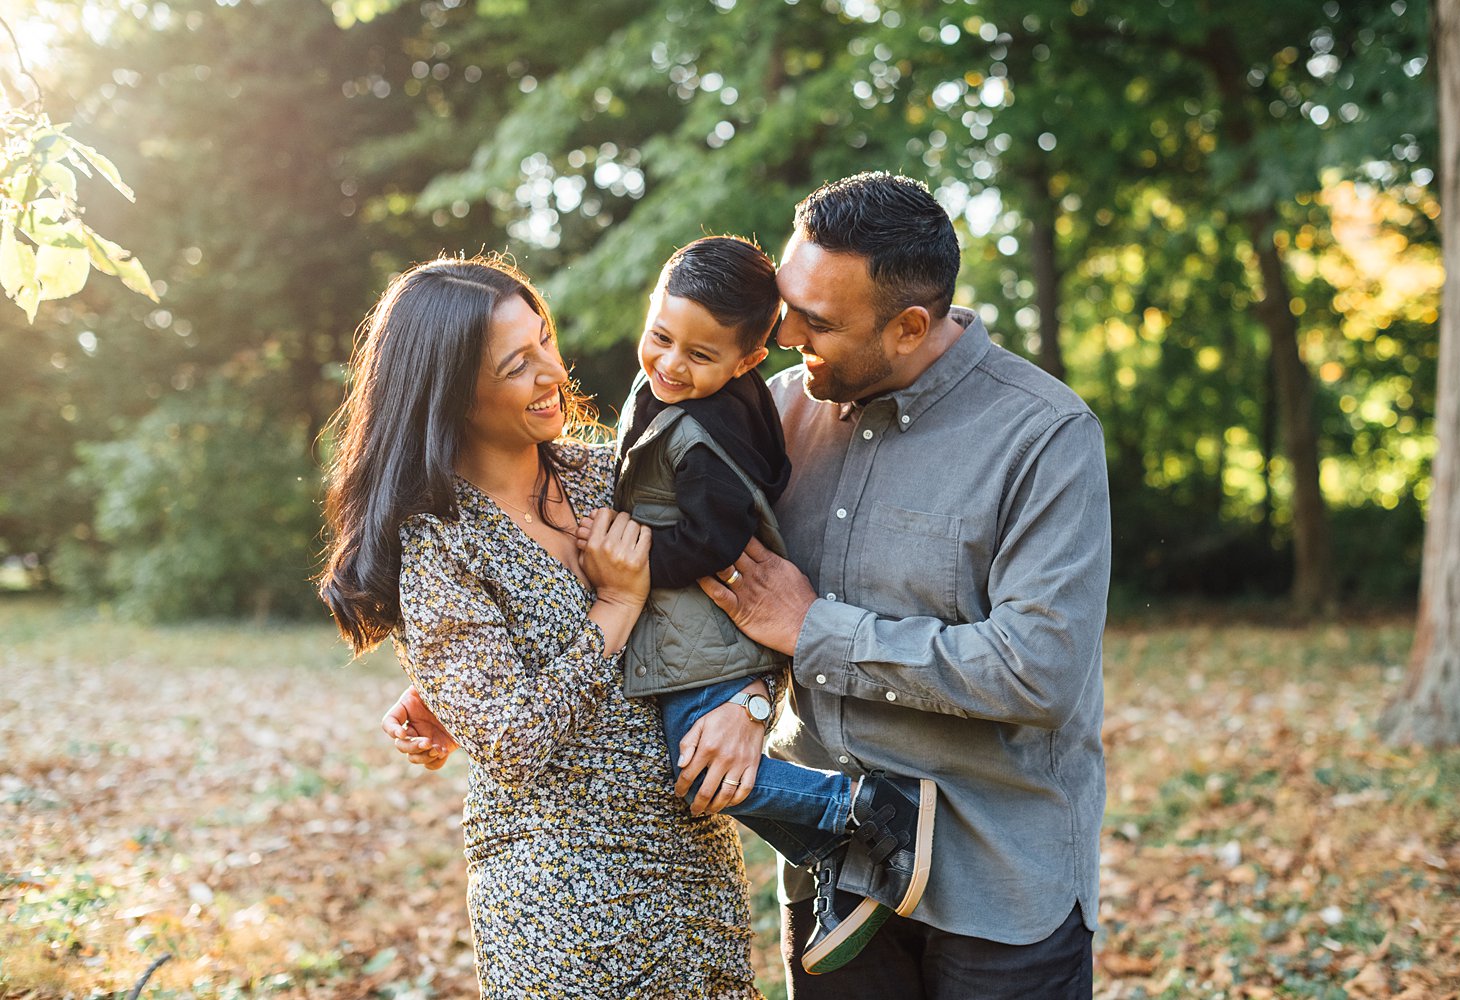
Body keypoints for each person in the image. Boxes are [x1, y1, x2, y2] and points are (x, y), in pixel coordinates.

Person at [698, 172, 1111, 998]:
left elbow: (1039, 669)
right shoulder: (774, 414)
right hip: (833, 878)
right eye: (788, 306)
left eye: (817, 323)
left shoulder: (1046, 435)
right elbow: (669, 554)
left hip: (1001, 886)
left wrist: (816, 629)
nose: (783, 336)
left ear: (911, 325)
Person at [318, 255, 761, 998]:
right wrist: (614, 610)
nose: (554, 371)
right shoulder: (437, 543)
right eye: (518, 363)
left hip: (693, 866)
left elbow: (748, 591)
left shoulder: (610, 472)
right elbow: (515, 739)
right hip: (557, 897)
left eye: (546, 339)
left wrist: (751, 703)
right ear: (452, 391)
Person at [603, 235, 937, 974]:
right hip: (692, 627)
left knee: (697, 772)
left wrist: (628, 569)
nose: (668, 364)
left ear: (748, 360)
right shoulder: (687, 393)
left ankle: (855, 812)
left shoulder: (705, 435)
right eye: (660, 337)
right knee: (703, 773)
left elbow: (714, 540)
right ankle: (835, 853)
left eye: (699, 355)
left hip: (706, 630)